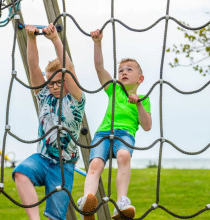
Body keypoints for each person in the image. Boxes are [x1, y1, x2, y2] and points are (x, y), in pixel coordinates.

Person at [12, 23, 85, 220]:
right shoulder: (44, 96)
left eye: (59, 82)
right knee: (20, 173)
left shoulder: (76, 101)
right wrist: (32, 38)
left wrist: (55, 39)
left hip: (64, 165)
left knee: (55, 216)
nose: (53, 86)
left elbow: (68, 68)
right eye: (50, 82)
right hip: (42, 158)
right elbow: (33, 67)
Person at [77, 29, 152, 220]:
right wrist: (97, 43)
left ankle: (121, 203)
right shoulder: (114, 89)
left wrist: (139, 104)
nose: (124, 72)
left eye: (129, 69)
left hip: (125, 134)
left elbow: (147, 125)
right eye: (121, 70)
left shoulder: (143, 98)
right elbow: (100, 68)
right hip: (103, 133)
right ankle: (87, 201)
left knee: (124, 155)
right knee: (95, 163)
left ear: (140, 78)